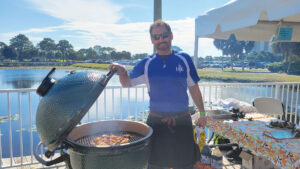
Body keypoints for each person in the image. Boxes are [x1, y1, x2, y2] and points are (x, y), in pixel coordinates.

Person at [109, 19, 206, 169]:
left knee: (186, 164)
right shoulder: (146, 63)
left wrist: (202, 112)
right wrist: (122, 72)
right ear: (151, 40)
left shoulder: (184, 59)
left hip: (182, 121)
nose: (161, 40)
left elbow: (194, 88)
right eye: (156, 37)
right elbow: (127, 83)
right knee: (154, 164)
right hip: (156, 122)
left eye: (164, 35)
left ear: (171, 35)